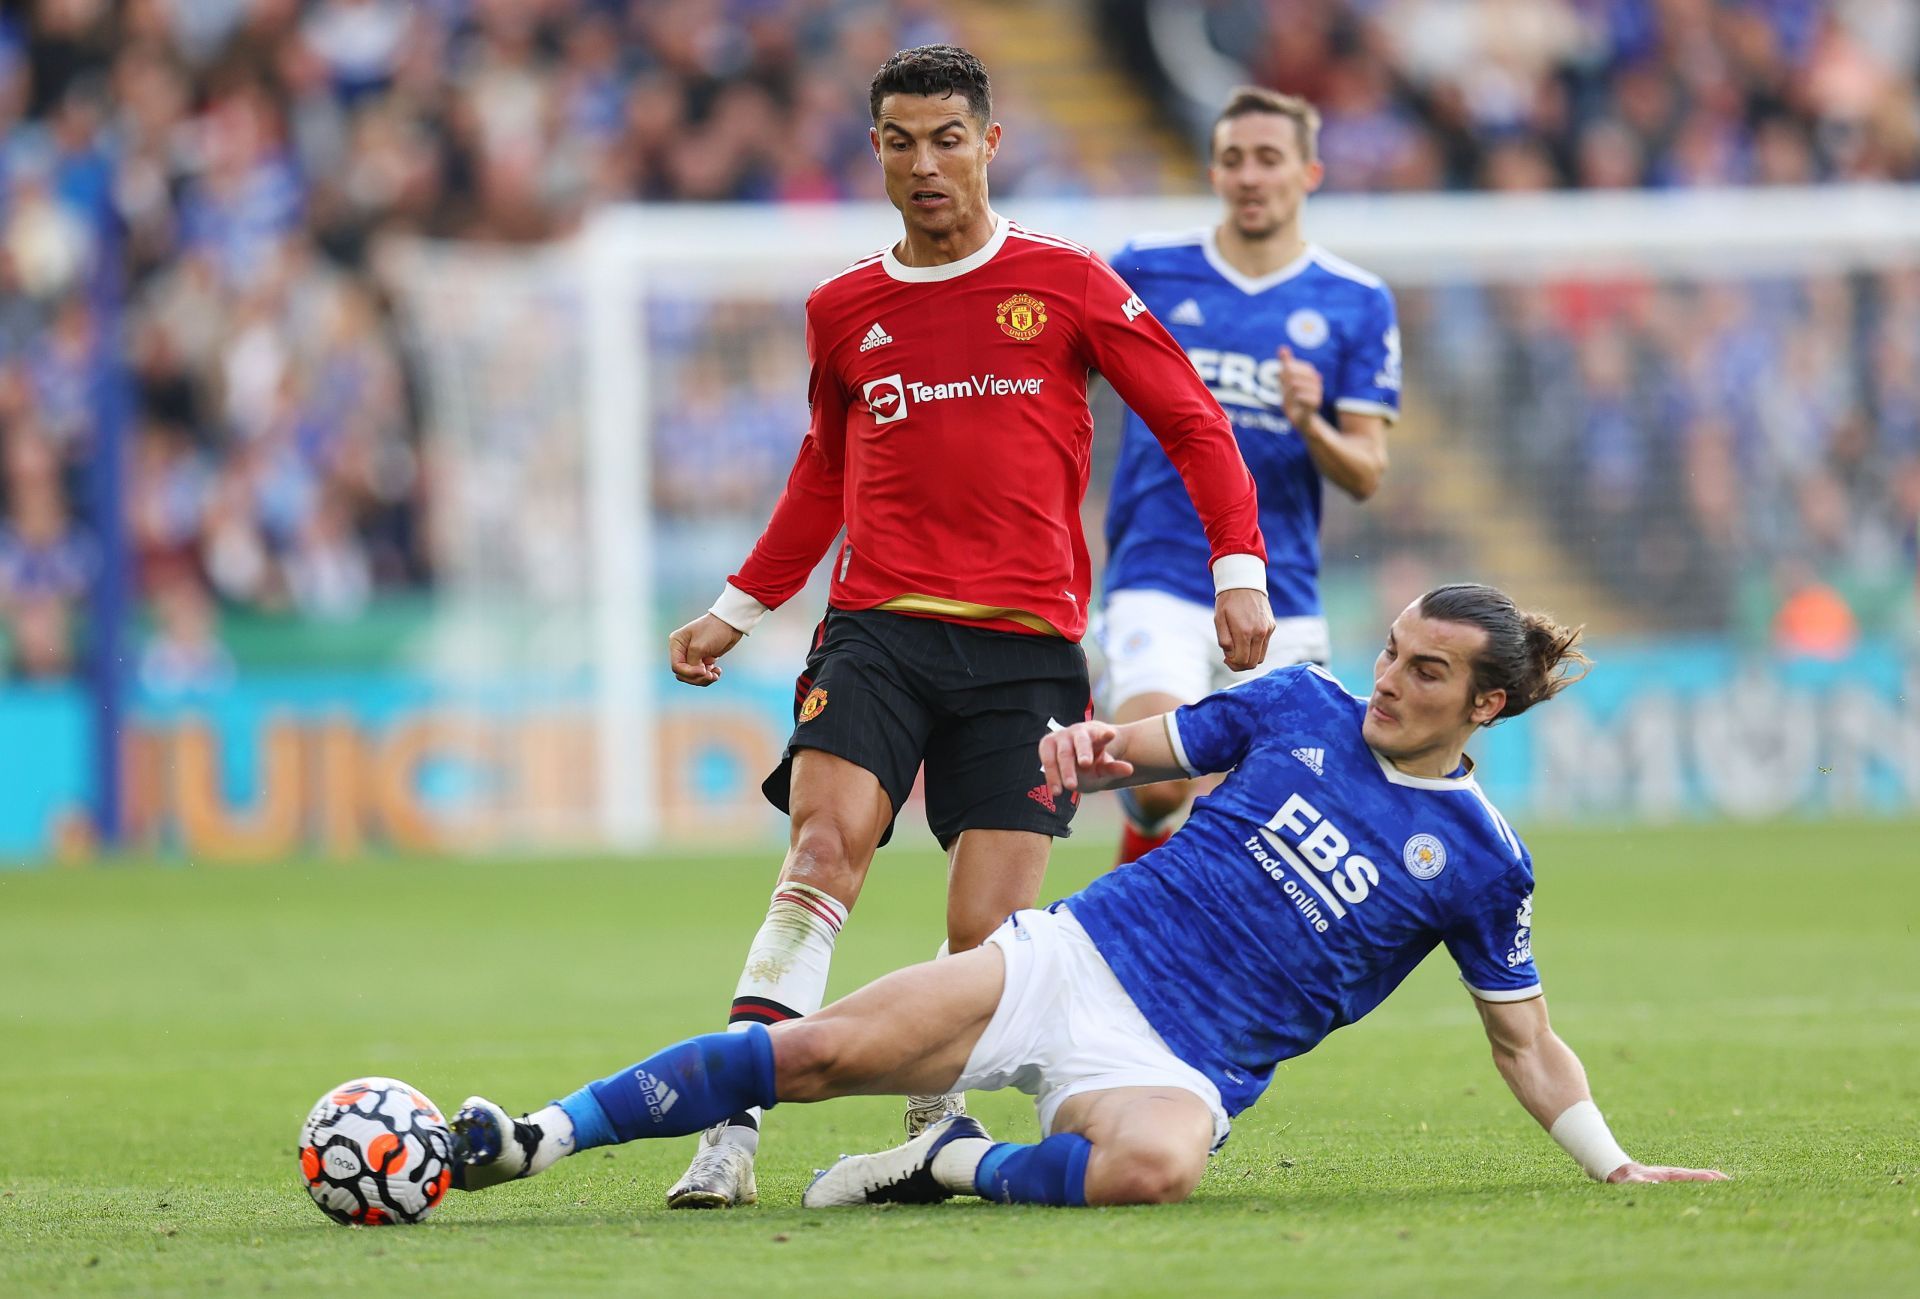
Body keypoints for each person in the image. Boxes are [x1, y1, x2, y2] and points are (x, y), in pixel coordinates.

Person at [448, 583, 1726, 1208]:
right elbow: (1145, 750)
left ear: (1486, 705)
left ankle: (956, 1165)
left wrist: (1615, 1170)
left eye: (1428, 672)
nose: (1390, 679)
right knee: (822, 1051)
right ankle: (534, 1140)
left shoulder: (1486, 860)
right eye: (1392, 650)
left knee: (1159, 1170)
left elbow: (1527, 1042)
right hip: (1073, 959)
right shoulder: (1299, 704)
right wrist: (1086, 747)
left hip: (1182, 1064)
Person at [658, 45, 1275, 1208]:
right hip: (877, 631)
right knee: (822, 852)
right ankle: (728, 1131)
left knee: (990, 931)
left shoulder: (1070, 284)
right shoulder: (843, 310)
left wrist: (1236, 569)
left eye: (948, 138)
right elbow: (821, 473)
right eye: (901, 141)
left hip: (1027, 653)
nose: (925, 163)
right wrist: (740, 609)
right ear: (876, 152)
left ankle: (927, 1128)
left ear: (990, 145)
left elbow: (1195, 425)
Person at [1101, 88, 1399, 864]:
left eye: (1269, 159)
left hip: (1284, 588)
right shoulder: (1147, 270)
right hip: (1160, 568)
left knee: (1264, 819)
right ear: (1213, 171)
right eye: (1234, 159)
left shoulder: (1356, 302)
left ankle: (1166, 962)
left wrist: (1313, 425)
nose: (1250, 176)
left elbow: (1367, 472)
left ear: (1309, 173)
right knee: (1161, 776)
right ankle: (1139, 854)